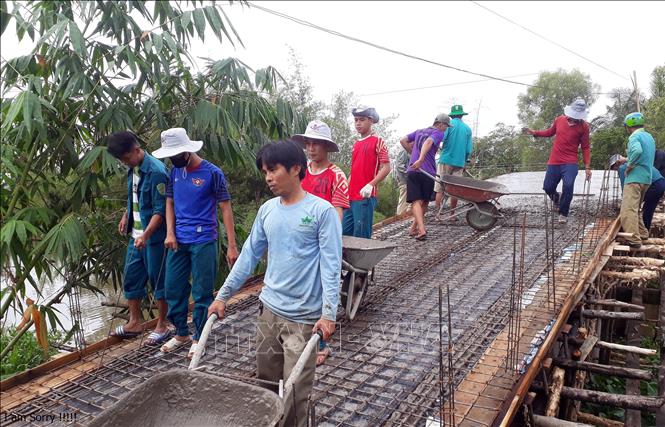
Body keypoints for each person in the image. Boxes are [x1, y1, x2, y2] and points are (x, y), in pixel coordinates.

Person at [208, 140, 342, 427]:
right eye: (264, 171)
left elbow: (332, 265)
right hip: (268, 313)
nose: (268, 177)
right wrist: (223, 296)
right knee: (266, 387)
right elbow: (248, 257)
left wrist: (329, 313)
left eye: (273, 169)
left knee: (294, 393)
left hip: (303, 319)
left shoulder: (322, 212)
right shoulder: (268, 210)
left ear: (296, 169)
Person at [151, 128, 239, 358]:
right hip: (178, 240)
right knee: (173, 287)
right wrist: (169, 232)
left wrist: (231, 245)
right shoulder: (174, 172)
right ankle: (181, 333)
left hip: (204, 240)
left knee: (201, 292)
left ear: (188, 151)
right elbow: (169, 202)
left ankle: (199, 336)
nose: (174, 159)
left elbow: (225, 207)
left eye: (177, 154)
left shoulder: (212, 173)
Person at [106, 131, 171, 345]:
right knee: (132, 277)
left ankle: (163, 324)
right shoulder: (132, 169)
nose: (125, 163)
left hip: (153, 238)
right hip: (136, 236)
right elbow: (133, 196)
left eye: (125, 159)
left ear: (136, 150)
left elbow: (161, 211)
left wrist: (147, 234)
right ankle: (135, 322)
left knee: (158, 279)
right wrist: (126, 215)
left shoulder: (156, 171)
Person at [292, 120, 349, 365]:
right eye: (308, 143)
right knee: (299, 291)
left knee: (323, 291)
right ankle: (298, 337)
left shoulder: (336, 175)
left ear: (326, 146)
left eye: (317, 143)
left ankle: (321, 344)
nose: (311, 148)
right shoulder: (300, 170)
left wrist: (328, 241)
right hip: (300, 240)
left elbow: (337, 212)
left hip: (322, 240)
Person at [523, 98, 591, 224]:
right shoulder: (559, 120)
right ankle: (557, 199)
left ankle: (563, 213)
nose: (574, 118)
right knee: (548, 187)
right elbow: (549, 132)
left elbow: (586, 147)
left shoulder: (584, 127)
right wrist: (535, 132)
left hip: (570, 162)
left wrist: (587, 167)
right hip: (554, 161)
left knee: (568, 185)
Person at [400, 113, 453, 240]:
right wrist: (421, 159)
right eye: (446, 127)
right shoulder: (438, 133)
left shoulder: (419, 131)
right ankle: (422, 230)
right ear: (440, 124)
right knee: (421, 201)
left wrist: (412, 153)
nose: (446, 130)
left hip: (413, 170)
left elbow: (403, 140)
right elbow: (428, 142)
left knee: (420, 201)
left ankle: (414, 228)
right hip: (426, 170)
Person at [343, 106, 391, 238]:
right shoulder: (356, 143)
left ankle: (362, 259)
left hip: (365, 196)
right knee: (343, 233)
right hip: (350, 197)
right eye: (356, 120)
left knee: (361, 236)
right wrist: (344, 189)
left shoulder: (377, 141)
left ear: (371, 120)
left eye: (362, 120)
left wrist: (371, 184)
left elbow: (386, 167)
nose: (358, 123)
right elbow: (354, 170)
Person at [617, 112, 656, 248]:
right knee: (635, 209)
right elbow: (644, 154)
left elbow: (637, 151)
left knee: (627, 210)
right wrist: (628, 159)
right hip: (646, 178)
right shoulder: (649, 137)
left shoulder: (635, 136)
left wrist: (629, 165)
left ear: (628, 126)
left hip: (635, 178)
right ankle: (643, 233)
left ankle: (634, 240)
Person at [434, 105, 472, 221]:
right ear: (461, 115)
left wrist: (439, 149)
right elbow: (468, 150)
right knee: (455, 190)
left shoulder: (449, 126)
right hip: (459, 162)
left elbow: (441, 138)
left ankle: (438, 215)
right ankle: (452, 215)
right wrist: (464, 162)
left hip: (445, 160)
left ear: (452, 116)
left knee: (440, 188)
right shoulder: (467, 129)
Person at [610, 154, 665, 232]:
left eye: (614, 168)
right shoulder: (635, 161)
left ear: (617, 163)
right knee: (648, 209)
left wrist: (625, 201)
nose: (615, 170)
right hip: (661, 182)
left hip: (654, 185)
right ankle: (645, 231)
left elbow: (625, 186)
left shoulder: (622, 167)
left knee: (634, 206)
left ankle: (634, 230)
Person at [393, 148, 411, 216]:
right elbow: (399, 165)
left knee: (409, 198)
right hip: (404, 180)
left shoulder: (409, 151)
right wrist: (409, 172)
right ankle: (400, 216)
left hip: (408, 180)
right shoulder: (404, 151)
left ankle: (406, 214)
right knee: (404, 198)